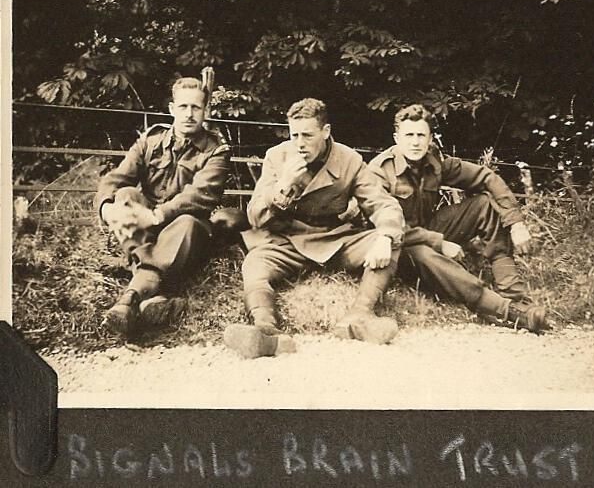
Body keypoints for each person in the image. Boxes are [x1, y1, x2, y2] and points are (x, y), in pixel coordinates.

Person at [223, 98, 405, 359]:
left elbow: (381, 203)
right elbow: (255, 216)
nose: (299, 143)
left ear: (326, 131)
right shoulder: (277, 157)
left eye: (307, 135)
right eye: (294, 135)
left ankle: (360, 316)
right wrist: (283, 185)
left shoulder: (349, 160)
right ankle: (266, 331)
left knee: (388, 239)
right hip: (288, 240)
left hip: (335, 239)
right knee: (254, 264)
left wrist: (385, 236)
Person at [369, 104, 547, 333]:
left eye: (421, 135)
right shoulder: (379, 171)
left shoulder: (434, 161)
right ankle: (500, 310)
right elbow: (383, 227)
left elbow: (486, 177)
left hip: (426, 231)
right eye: (409, 135)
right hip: (397, 247)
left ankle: (515, 297)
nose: (415, 142)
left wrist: (516, 223)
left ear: (430, 138)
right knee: (424, 253)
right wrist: (439, 243)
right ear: (396, 138)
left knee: (484, 204)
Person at [96, 77, 230, 337]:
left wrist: (157, 215)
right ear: (172, 109)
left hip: (186, 232)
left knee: (188, 222)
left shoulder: (216, 151)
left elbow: (199, 195)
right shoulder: (150, 141)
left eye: (196, 107)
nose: (189, 114)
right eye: (183, 107)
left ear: (205, 111)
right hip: (147, 227)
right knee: (125, 195)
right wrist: (106, 208)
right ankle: (155, 295)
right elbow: (117, 178)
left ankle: (129, 298)